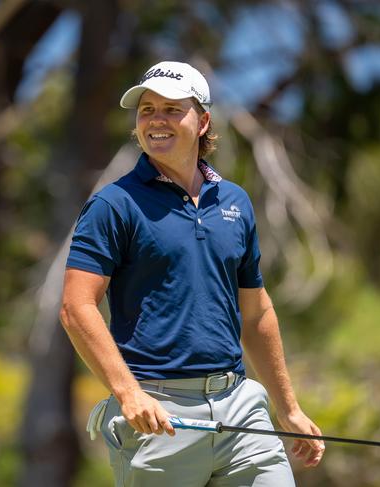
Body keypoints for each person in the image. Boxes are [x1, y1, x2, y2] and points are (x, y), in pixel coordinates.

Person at [59, 61, 325, 486]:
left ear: (202, 121)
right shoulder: (115, 204)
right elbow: (76, 307)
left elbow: (255, 316)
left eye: (170, 109)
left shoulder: (234, 202)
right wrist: (128, 394)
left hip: (240, 406)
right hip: (158, 414)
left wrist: (288, 407)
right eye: (146, 110)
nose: (156, 120)